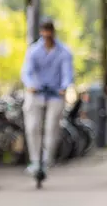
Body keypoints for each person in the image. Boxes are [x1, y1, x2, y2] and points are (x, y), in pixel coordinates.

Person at [20, 19, 74, 176]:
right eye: (44, 32)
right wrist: (30, 85)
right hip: (36, 93)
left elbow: (67, 73)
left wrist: (64, 87)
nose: (47, 36)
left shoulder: (64, 52)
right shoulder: (34, 51)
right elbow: (27, 71)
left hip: (55, 94)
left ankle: (47, 159)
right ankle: (35, 160)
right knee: (32, 126)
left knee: (52, 127)